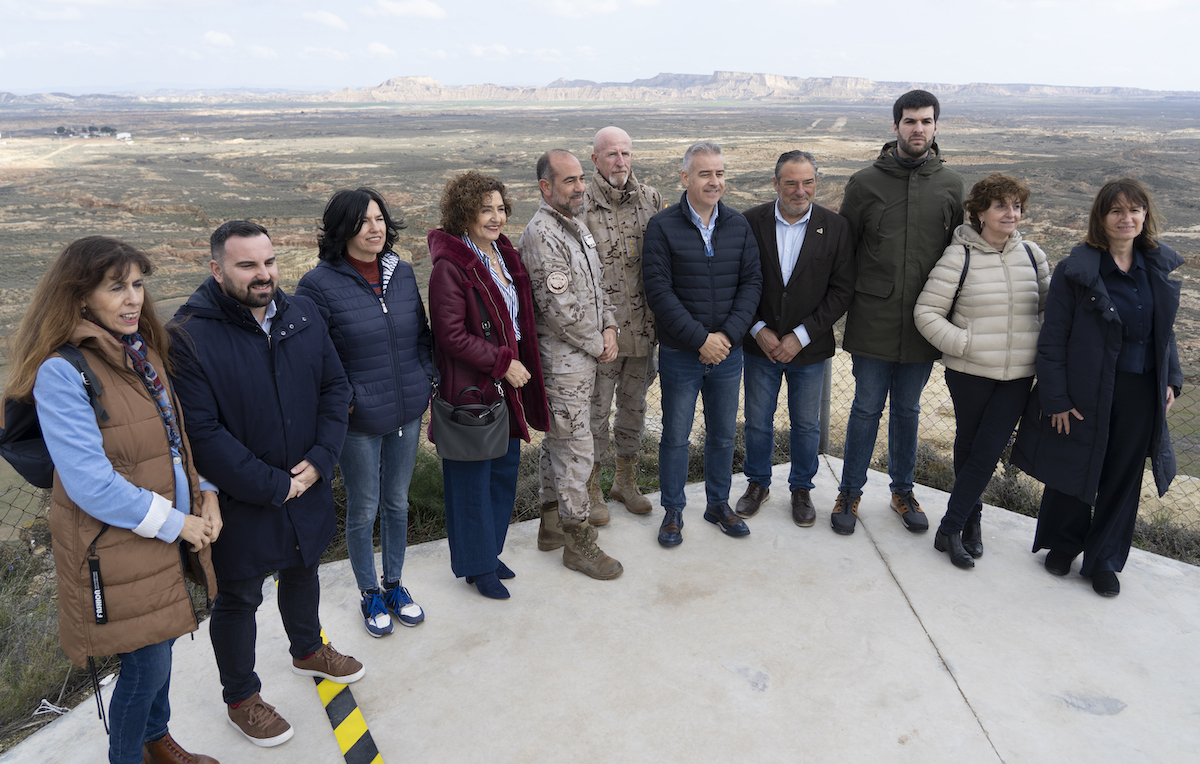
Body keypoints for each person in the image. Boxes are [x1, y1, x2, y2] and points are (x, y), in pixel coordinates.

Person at [3, 237, 221, 764]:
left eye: (138, 285)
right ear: (80, 297)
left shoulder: (140, 354)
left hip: (163, 529)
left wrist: (205, 493)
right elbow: (90, 483)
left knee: (163, 648)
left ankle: (157, 741)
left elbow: (173, 441)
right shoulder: (63, 370)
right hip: (115, 545)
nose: (133, 300)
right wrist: (180, 524)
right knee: (145, 664)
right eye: (116, 287)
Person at [169, 221, 359, 748]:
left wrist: (320, 460)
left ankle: (307, 649)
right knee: (238, 598)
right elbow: (200, 433)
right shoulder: (187, 335)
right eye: (247, 265)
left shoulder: (301, 313)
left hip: (307, 479)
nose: (263, 275)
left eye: (269, 262)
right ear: (216, 269)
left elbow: (334, 387)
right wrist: (273, 485)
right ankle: (242, 698)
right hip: (240, 498)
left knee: (304, 568)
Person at [1014, 178, 1181, 597]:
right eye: (1116, 211)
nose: (1127, 218)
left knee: (1123, 476)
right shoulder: (1078, 271)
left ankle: (1104, 559)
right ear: (1101, 219)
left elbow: (1165, 334)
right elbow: (1052, 338)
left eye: (1135, 210)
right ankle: (1063, 543)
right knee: (1075, 463)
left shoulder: (1154, 267)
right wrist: (1055, 396)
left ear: (1146, 215)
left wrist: (1171, 380)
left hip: (1141, 390)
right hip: (1087, 388)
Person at [295, 188, 432, 636]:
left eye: (379, 219)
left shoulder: (403, 273)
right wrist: (345, 399)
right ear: (342, 229)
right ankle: (369, 592)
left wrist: (426, 379)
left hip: (407, 409)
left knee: (397, 502)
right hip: (357, 421)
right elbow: (315, 356)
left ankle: (395, 585)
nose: (375, 229)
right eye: (363, 221)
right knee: (364, 507)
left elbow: (421, 337)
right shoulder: (318, 285)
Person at [834, 89, 965, 536]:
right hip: (873, 318)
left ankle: (902, 492)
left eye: (926, 121)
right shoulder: (865, 182)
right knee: (866, 409)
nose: (918, 129)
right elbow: (844, 249)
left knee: (907, 411)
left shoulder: (950, 184)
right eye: (910, 121)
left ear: (935, 126)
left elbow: (957, 253)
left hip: (925, 322)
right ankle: (849, 492)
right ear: (895, 127)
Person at [914, 174, 1050, 568]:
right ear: (979, 213)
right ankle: (969, 523)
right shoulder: (960, 256)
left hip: (1019, 375)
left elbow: (1049, 312)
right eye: (1001, 206)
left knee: (987, 451)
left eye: (1016, 206)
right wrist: (964, 344)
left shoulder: (1032, 255)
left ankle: (951, 526)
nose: (1011, 213)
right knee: (971, 447)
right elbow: (926, 312)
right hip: (970, 372)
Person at [427, 171, 549, 599]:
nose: (496, 217)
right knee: (471, 482)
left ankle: (489, 552)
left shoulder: (502, 254)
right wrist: (503, 364)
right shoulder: (451, 267)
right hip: (473, 389)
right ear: (464, 214)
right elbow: (450, 335)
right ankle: (478, 568)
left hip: (506, 388)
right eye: (485, 210)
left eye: (500, 208)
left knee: (502, 474)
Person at [642, 141, 762, 546]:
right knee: (675, 435)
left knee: (723, 435)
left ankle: (718, 504)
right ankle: (673, 511)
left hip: (728, 354)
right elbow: (659, 292)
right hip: (681, 353)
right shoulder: (662, 226)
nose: (715, 181)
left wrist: (726, 337)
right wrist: (701, 340)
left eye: (720, 173)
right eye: (706, 174)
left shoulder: (738, 225)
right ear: (685, 178)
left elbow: (752, 284)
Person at [518, 149, 624, 580]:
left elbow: (598, 287)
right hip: (565, 364)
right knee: (575, 451)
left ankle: (550, 527)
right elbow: (559, 307)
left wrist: (612, 326)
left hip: (586, 357)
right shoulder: (542, 234)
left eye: (582, 178)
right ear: (546, 187)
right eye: (570, 181)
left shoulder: (576, 226)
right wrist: (599, 343)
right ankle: (579, 544)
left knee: (562, 445)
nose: (580, 187)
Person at [736, 150, 854, 526]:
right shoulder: (749, 222)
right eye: (791, 182)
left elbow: (841, 291)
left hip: (809, 347)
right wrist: (758, 329)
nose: (800, 190)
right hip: (760, 346)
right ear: (776, 184)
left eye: (808, 182)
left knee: (806, 425)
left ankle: (801, 488)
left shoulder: (836, 227)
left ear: (816, 184)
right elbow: (736, 283)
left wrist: (800, 336)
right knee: (757, 420)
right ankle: (757, 483)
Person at [582, 126, 663, 518]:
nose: (620, 162)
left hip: (644, 332)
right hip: (601, 339)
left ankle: (624, 481)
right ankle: (592, 487)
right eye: (611, 154)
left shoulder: (650, 199)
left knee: (634, 410)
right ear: (594, 159)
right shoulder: (579, 207)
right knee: (595, 414)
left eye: (626, 154)